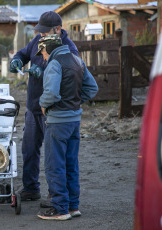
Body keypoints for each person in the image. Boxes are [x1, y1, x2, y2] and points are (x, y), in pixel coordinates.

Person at [9, 11, 79, 201]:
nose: (41, 35)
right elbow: (24, 53)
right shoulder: (37, 41)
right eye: (39, 31)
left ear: (58, 29)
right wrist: (17, 59)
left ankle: (55, 195)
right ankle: (31, 188)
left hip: (53, 111)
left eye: (45, 32)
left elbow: (70, 76)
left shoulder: (70, 49)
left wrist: (45, 71)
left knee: (54, 157)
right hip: (33, 108)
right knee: (29, 150)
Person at [36, 35, 98, 220]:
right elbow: (92, 88)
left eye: (43, 53)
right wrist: (75, 103)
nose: (43, 57)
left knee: (55, 165)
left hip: (57, 122)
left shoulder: (54, 64)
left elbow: (52, 93)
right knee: (71, 164)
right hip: (74, 121)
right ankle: (73, 206)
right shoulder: (78, 60)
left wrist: (43, 104)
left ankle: (60, 209)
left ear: (48, 49)